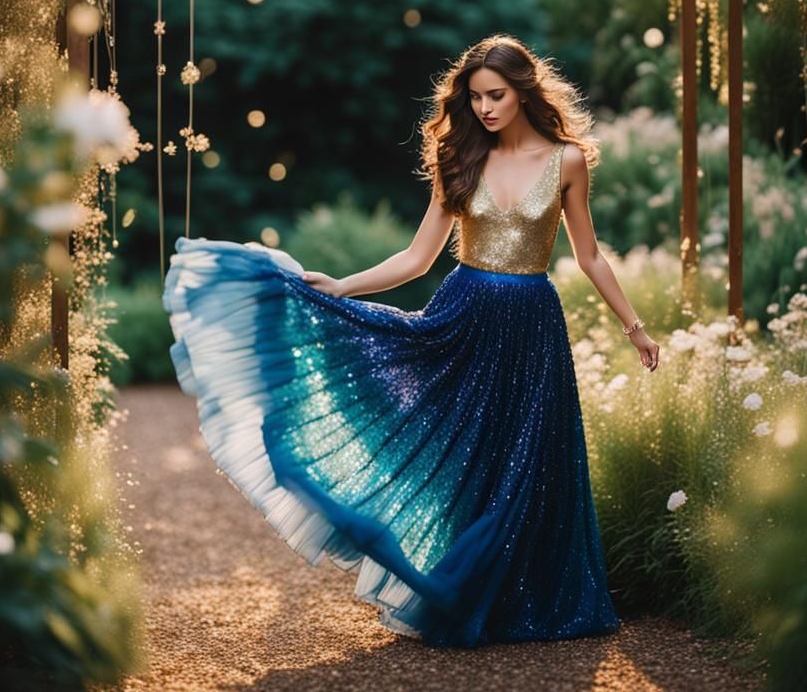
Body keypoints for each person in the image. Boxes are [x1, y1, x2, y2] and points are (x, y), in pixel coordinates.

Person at [163, 34, 659, 648]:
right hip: (464, 316)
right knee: (466, 452)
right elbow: (418, 257)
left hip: (533, 327)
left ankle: (527, 597)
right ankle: (467, 592)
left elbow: (589, 256)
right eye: (475, 97)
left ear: (524, 92)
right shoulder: (462, 159)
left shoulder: (567, 161)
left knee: (530, 460)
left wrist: (634, 328)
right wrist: (342, 287)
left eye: (496, 95)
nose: (484, 108)